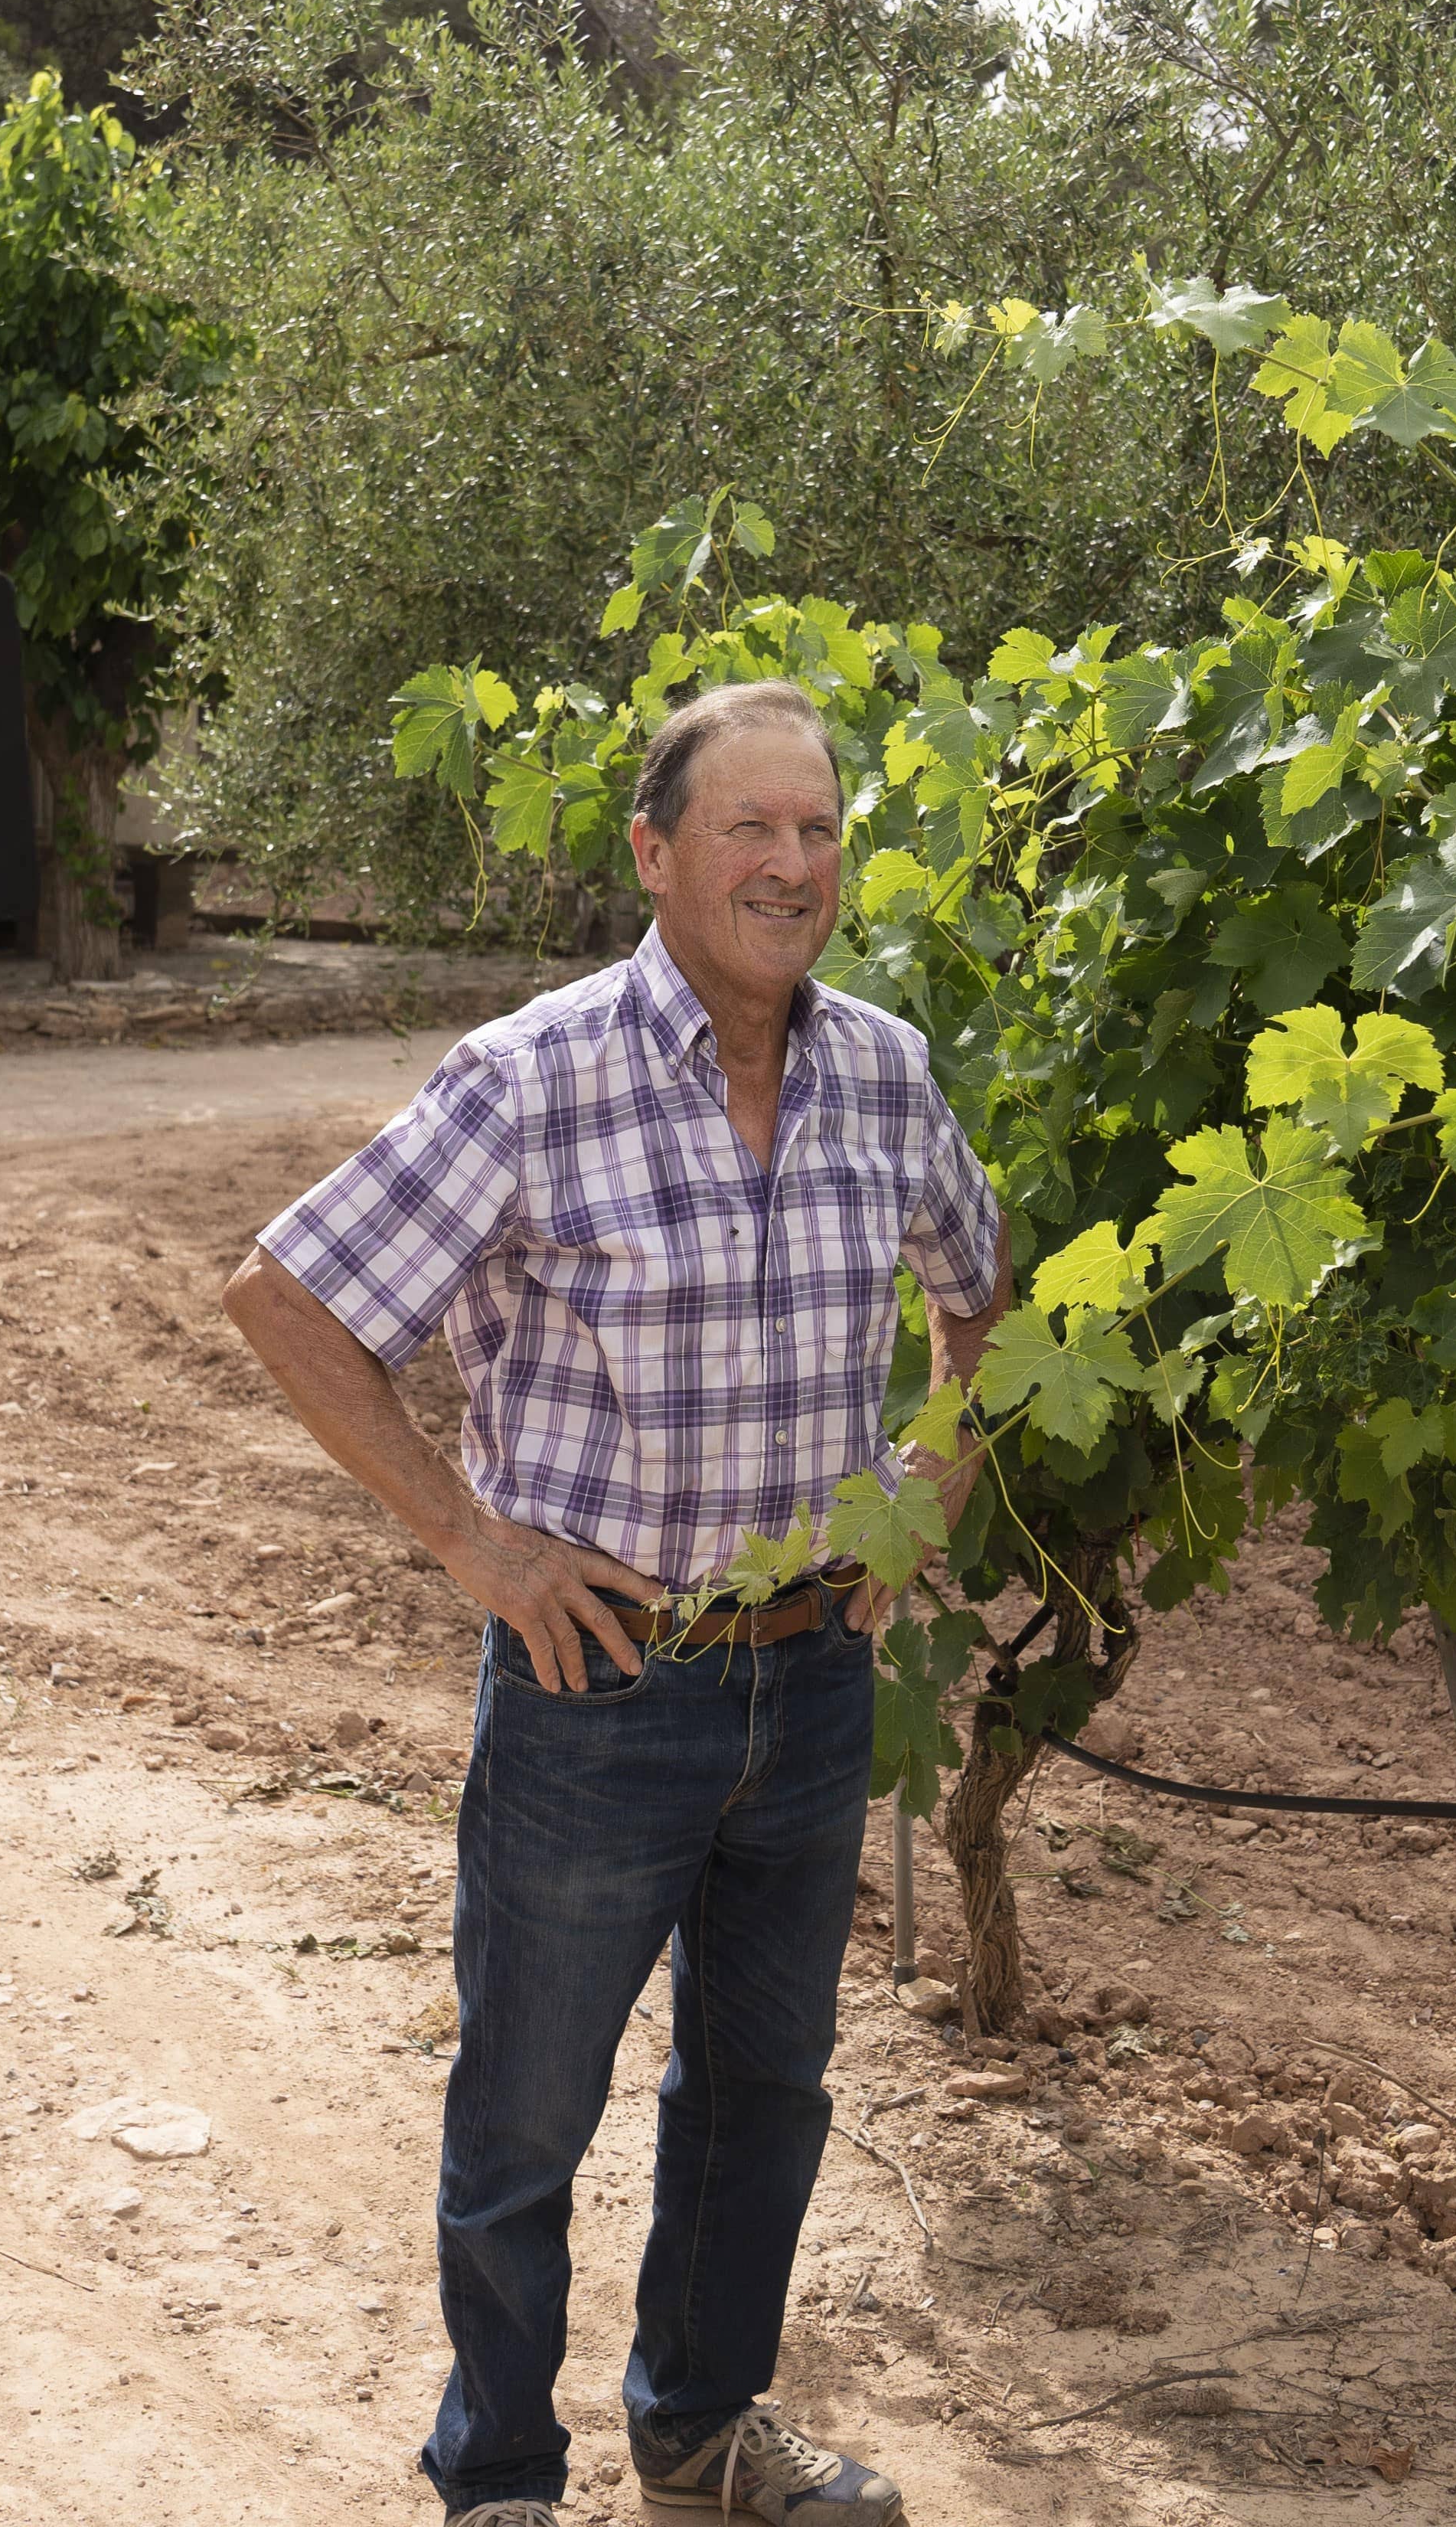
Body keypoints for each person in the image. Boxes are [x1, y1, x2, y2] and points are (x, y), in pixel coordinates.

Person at [224, 680, 1011, 2526]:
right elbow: (286, 1299)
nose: (792, 864)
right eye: (750, 826)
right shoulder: (534, 1075)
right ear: (654, 853)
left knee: (769, 2091)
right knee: (527, 2108)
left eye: (817, 828)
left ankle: (700, 2426)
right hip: (600, 1687)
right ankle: (498, 2471)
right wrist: (477, 1545)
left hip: (811, 1676)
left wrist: (926, 1490)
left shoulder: (886, 1071)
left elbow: (986, 1297)